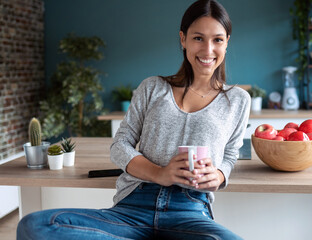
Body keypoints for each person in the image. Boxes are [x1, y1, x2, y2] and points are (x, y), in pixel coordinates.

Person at [17, 0, 250, 239]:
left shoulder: (238, 100)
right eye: (198, 38)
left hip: (189, 213)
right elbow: (120, 145)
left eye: (217, 40)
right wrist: (159, 173)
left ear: (227, 42)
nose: (208, 49)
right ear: (183, 39)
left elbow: (231, 155)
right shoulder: (152, 88)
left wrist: (219, 176)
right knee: (36, 225)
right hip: (133, 207)